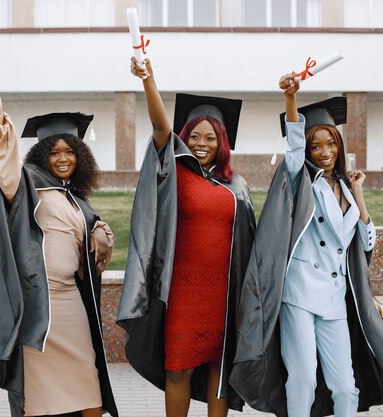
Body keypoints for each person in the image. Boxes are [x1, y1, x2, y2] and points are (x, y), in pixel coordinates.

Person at [229, 73, 383, 416]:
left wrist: (359, 195)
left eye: (331, 144)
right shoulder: (301, 180)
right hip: (299, 295)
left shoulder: (345, 186)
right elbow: (293, 147)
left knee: (344, 385)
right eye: (316, 145)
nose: (325, 152)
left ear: (339, 146)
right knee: (304, 379)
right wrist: (291, 98)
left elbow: (366, 242)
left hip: (335, 298)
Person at [116, 58, 256, 417]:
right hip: (182, 290)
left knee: (217, 368)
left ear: (221, 142)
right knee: (178, 367)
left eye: (210, 137)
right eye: (193, 136)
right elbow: (160, 126)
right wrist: (149, 80)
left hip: (223, 293)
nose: (200, 143)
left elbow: (249, 243)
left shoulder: (236, 186)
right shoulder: (176, 171)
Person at [0, 86, 119, 417]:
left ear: (79, 157)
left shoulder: (77, 200)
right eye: (54, 152)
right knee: (39, 395)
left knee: (88, 379)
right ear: (42, 155)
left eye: (69, 152)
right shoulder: (26, 183)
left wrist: (101, 229)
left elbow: (89, 229)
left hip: (70, 301)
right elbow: (6, 167)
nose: (62, 158)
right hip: (37, 305)